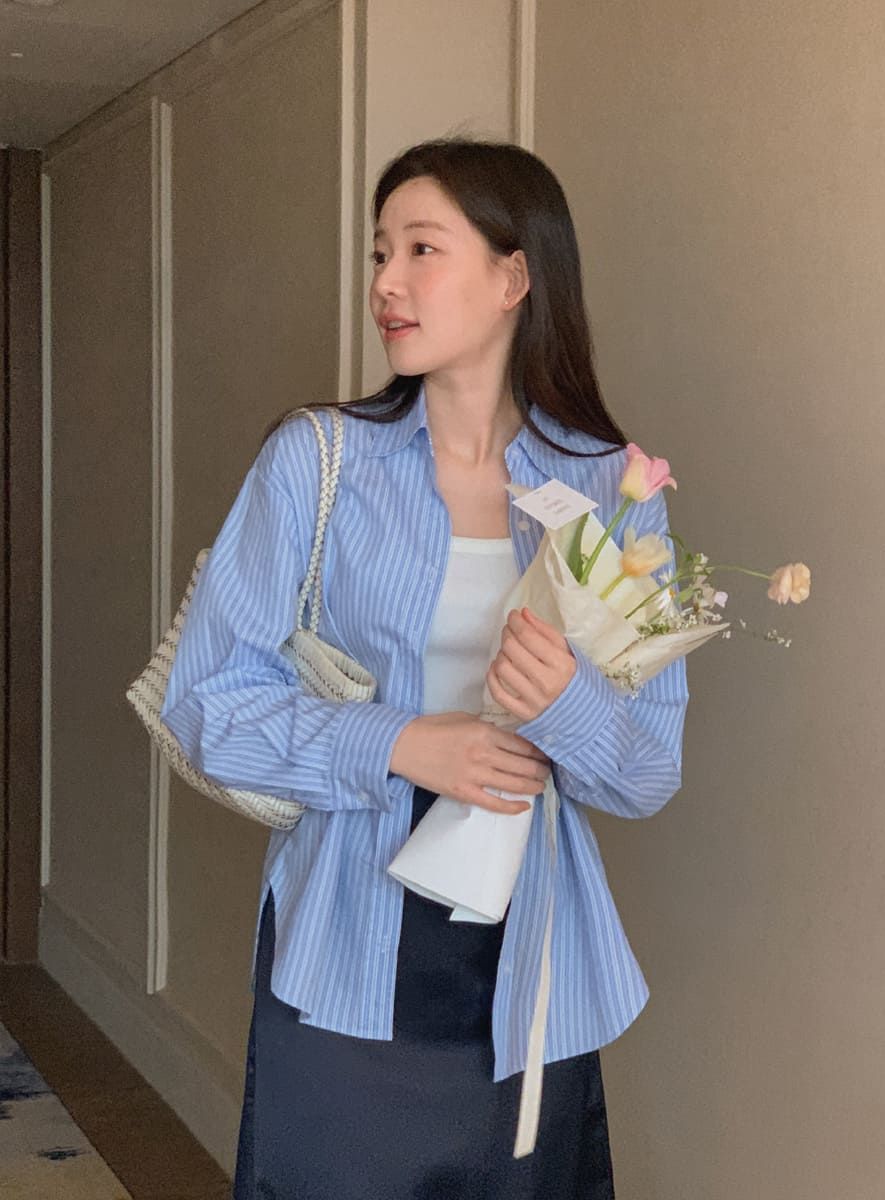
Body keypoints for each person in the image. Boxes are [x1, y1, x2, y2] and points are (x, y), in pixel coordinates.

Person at [160, 136, 689, 1200]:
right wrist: (402, 742)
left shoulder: (615, 490)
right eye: (378, 253)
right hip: (347, 942)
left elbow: (648, 774)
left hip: (529, 964)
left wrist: (568, 704)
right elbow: (205, 704)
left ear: (514, 276)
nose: (385, 284)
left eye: (420, 249)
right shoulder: (317, 461)